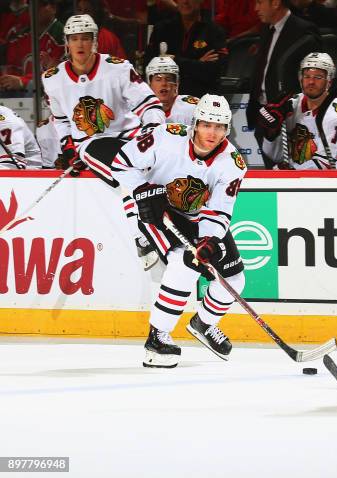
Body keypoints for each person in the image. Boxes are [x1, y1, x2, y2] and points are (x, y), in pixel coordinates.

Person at [112, 95, 247, 368]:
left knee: (234, 279)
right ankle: (158, 337)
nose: (213, 132)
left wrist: (209, 241)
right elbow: (121, 163)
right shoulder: (166, 137)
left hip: (198, 217)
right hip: (157, 211)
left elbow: (219, 211)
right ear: (196, 123)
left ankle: (204, 323)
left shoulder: (233, 164)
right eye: (208, 124)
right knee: (184, 264)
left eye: (220, 127)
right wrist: (142, 190)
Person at [42, 14, 166, 269]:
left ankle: (157, 229)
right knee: (125, 170)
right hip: (91, 142)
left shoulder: (118, 68)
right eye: (74, 39)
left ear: (95, 41)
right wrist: (68, 148)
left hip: (129, 137)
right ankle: (141, 235)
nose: (80, 44)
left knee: (152, 173)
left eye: (85, 38)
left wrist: (153, 129)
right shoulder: (53, 78)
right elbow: (61, 119)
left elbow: (148, 103)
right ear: (66, 43)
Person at [247, 0, 320, 169]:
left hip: (288, 116)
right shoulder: (266, 28)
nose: (255, 8)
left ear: (275, 3)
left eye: (259, 2)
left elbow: (312, 74)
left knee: (290, 174)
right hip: (263, 113)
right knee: (270, 175)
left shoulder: (303, 30)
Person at [258, 52, 337, 169]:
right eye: (307, 76)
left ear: (329, 80)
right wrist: (271, 133)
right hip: (293, 176)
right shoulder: (291, 105)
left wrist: (293, 171)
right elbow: (276, 156)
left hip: (320, 183)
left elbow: (327, 163)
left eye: (318, 77)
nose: (311, 82)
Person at [145, 0, 228, 97]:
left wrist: (174, 60)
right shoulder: (162, 29)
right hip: (166, 98)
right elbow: (149, 64)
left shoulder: (214, 31)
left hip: (201, 99)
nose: (185, 1)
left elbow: (214, 72)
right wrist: (198, 63)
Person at [0, 0, 64, 93]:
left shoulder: (62, 36)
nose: (35, 9)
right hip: (22, 99)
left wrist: (23, 82)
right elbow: (11, 69)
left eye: (41, 4)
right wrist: (5, 82)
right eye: (32, 5)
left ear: (53, 8)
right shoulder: (20, 36)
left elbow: (58, 74)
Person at [146, 56, 199, 125]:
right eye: (158, 80)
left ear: (176, 84)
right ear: (150, 84)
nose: (163, 83)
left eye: (168, 79)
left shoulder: (193, 107)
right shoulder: (140, 111)